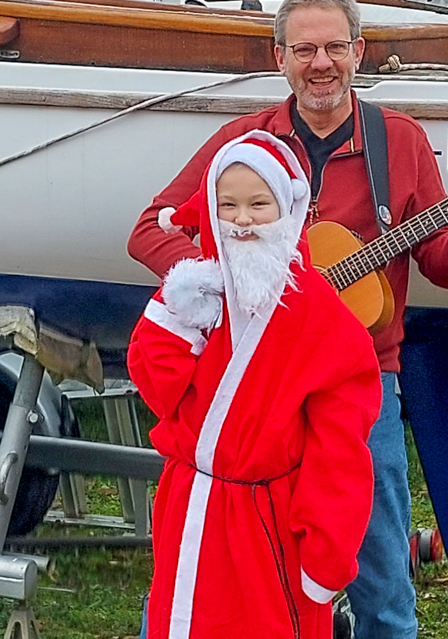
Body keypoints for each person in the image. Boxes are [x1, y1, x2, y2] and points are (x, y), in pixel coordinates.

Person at [129, 0, 448, 639]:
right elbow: (149, 229)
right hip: (253, 384)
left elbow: (442, 267)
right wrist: (218, 281)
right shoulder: (243, 144)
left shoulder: (399, 143)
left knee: (380, 573)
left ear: (359, 51)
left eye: (335, 46)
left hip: (363, 382)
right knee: (206, 549)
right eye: (304, 48)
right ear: (278, 56)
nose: (321, 63)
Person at [128, 129, 382, 639]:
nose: (242, 220)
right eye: (228, 205)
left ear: (286, 208)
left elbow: (339, 449)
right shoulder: (201, 293)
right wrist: (172, 312)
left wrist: (325, 554)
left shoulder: (321, 316)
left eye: (258, 204)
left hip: (268, 524)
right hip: (191, 504)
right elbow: (160, 395)